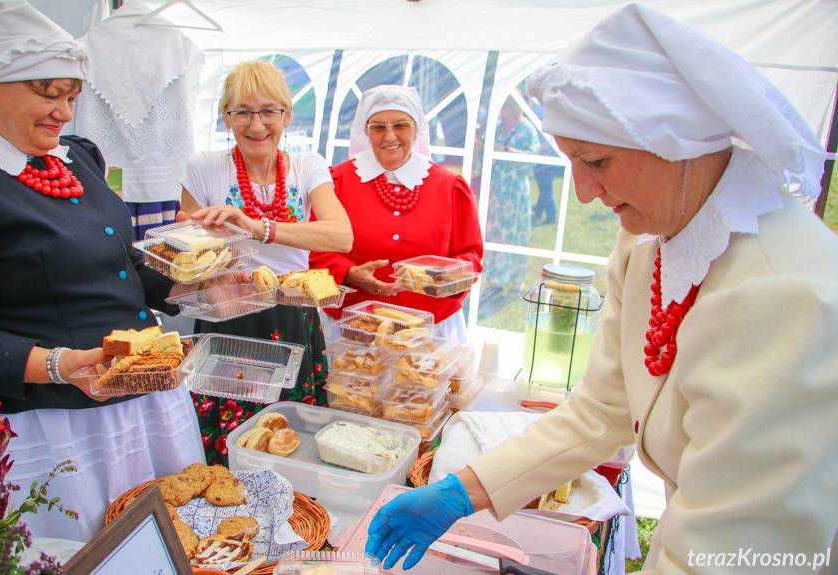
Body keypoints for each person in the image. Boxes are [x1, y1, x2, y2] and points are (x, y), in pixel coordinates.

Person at [365, 5, 838, 573]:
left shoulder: (784, 295)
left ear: (676, 140)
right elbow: (602, 409)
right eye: (571, 162)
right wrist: (463, 491)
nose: (584, 193)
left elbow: (735, 548)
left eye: (595, 161)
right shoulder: (648, 240)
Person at [0, 0, 205, 540]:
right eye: (47, 93)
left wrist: (195, 284)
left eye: (72, 97)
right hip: (53, 425)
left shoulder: (76, 157)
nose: (63, 111)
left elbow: (116, 263)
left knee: (170, 542)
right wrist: (61, 365)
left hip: (143, 399)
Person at [180, 60, 352, 464]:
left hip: (292, 312)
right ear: (226, 116)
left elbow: (340, 235)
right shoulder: (203, 167)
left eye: (268, 112)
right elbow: (183, 253)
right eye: (242, 112)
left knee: (288, 436)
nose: (256, 125)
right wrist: (205, 242)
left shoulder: (309, 165)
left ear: (286, 115)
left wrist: (258, 228)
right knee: (229, 442)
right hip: (228, 312)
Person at [309, 85, 483, 342]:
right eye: (378, 127)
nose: (389, 136)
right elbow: (317, 250)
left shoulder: (449, 186)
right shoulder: (337, 182)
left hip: (430, 332)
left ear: (417, 130)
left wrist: (444, 279)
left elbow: (470, 256)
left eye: (401, 125)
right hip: (353, 329)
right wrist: (349, 273)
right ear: (365, 132)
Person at [479, 96, 539, 319]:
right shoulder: (495, 127)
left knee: (514, 234)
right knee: (494, 234)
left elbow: (531, 158)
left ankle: (515, 282)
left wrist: (504, 149)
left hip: (515, 191)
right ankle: (494, 279)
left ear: (512, 108)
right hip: (496, 189)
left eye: (503, 107)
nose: (499, 111)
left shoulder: (526, 130)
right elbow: (482, 153)